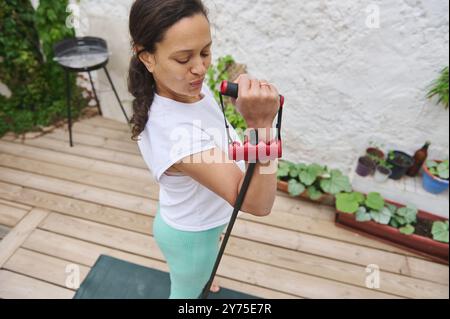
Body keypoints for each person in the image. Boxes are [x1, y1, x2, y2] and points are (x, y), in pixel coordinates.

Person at [128, 0, 280, 299]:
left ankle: (199, 274)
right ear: (147, 58)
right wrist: (262, 126)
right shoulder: (177, 135)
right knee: (185, 295)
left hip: (189, 222)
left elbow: (213, 133)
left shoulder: (186, 87)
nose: (199, 68)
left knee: (196, 274)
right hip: (192, 240)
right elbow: (259, 205)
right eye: (184, 59)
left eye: (205, 52)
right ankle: (195, 275)